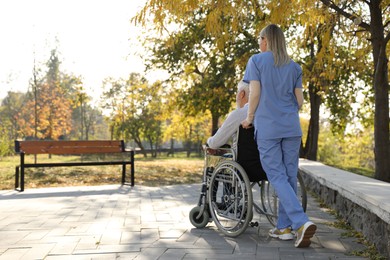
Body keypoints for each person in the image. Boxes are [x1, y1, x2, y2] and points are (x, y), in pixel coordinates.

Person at [241, 24, 316, 248]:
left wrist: (250, 117)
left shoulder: (256, 61)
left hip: (269, 128)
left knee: (276, 176)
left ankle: (301, 222)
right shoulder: (295, 67)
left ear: (265, 40)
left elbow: (254, 93)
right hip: (291, 128)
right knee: (288, 177)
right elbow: (300, 101)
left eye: (259, 39)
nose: (259, 43)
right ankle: (284, 228)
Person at [207, 80, 267, 182]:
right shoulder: (267, 116)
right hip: (266, 167)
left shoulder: (239, 114)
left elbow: (215, 143)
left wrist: (208, 142)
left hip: (244, 167)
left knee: (211, 167)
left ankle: (215, 197)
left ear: (242, 94)